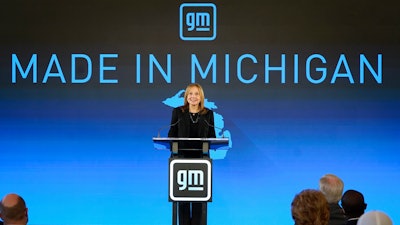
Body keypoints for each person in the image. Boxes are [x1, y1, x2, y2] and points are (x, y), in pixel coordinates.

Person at [168, 83, 216, 225]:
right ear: (186, 96)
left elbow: (212, 136)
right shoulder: (178, 112)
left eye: (196, 94)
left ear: (201, 97)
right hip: (181, 160)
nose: (193, 97)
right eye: (190, 93)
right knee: (182, 201)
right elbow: (171, 134)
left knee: (198, 202)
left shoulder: (208, 114)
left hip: (201, 161)